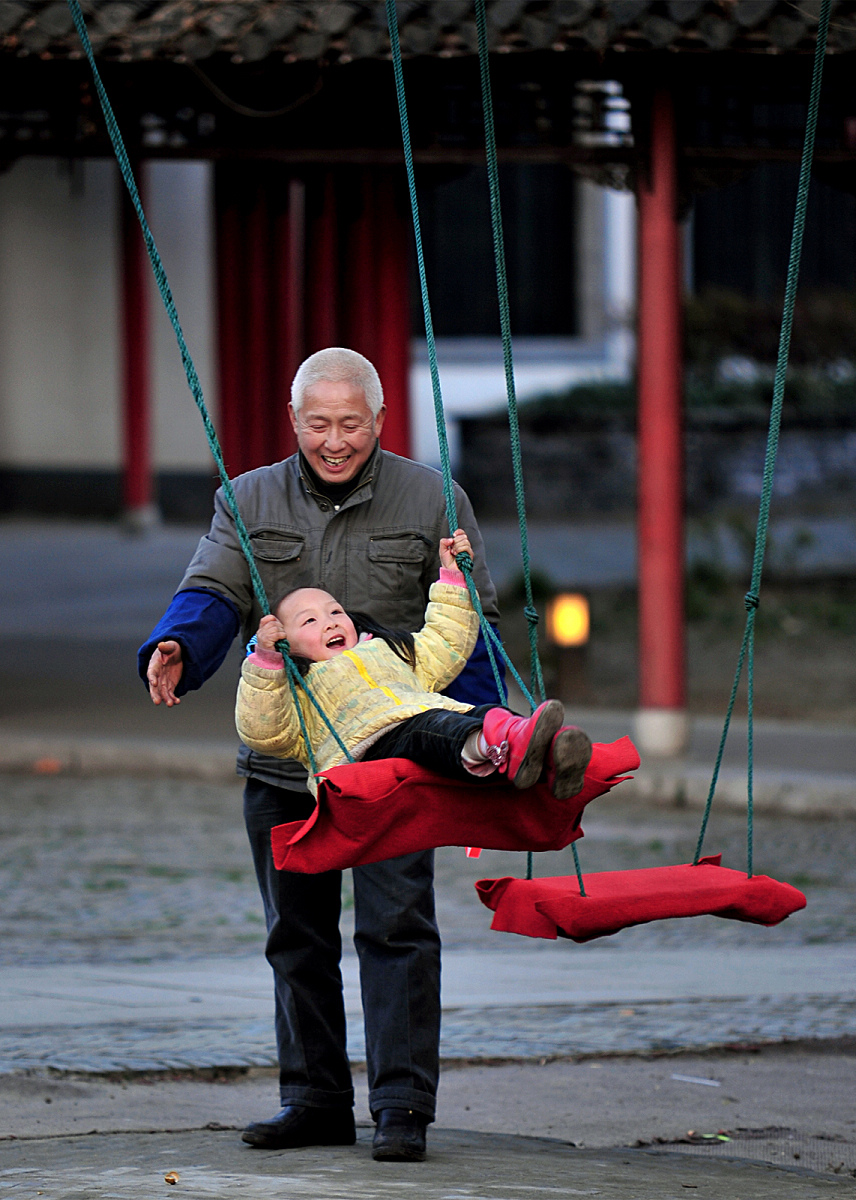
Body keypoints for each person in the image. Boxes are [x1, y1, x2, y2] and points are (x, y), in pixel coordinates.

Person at [139, 347, 505, 1163]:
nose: (333, 440)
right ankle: (312, 1099)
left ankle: (403, 1107)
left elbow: (468, 628)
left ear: (378, 420)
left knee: (397, 926)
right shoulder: (248, 497)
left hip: (390, 762)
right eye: (318, 423)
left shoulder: (436, 498)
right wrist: (175, 646)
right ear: (294, 421)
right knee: (294, 935)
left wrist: (486, 738)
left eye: (350, 423)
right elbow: (214, 592)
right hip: (283, 761)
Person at [235, 530, 592, 799]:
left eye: (334, 612)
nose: (328, 622)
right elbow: (264, 731)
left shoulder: (386, 650)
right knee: (430, 728)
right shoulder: (299, 688)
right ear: (287, 645)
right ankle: (507, 745)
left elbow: (444, 643)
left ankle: (550, 756)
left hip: (431, 719)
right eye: (309, 622)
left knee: (478, 711)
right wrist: (267, 663)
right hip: (366, 754)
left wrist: (452, 578)